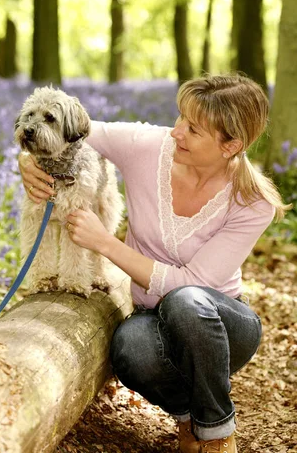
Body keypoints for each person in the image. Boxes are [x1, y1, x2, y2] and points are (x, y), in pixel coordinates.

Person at [18, 74, 289, 453]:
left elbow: (193, 282)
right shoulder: (147, 147)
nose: (176, 132)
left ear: (231, 145)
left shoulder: (252, 200)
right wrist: (27, 161)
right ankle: (187, 418)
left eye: (192, 129)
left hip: (222, 329)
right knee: (128, 347)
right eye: (180, 118)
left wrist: (105, 243)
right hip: (153, 314)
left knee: (187, 300)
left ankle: (215, 430)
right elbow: (73, 128)